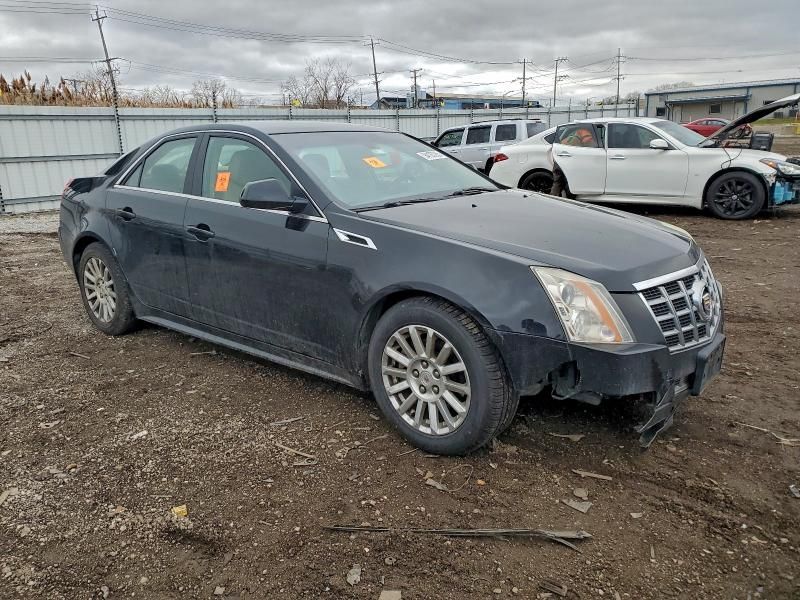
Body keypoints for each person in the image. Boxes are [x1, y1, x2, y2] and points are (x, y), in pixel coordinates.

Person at [548, 126, 595, 197]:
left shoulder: (575, 134)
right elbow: (588, 147)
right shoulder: (581, 137)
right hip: (565, 162)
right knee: (566, 183)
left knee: (558, 182)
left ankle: (553, 198)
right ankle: (568, 201)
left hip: (559, 160)